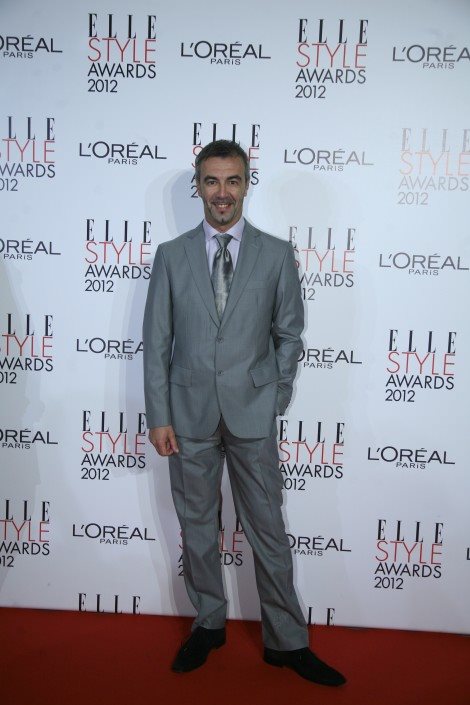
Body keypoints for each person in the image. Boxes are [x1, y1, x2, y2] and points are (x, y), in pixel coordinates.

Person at [143, 140, 346, 686]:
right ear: (198, 187)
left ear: (246, 184)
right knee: (197, 530)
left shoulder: (276, 254)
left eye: (232, 180)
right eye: (212, 181)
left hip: (253, 415)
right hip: (188, 416)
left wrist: (273, 397)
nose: (222, 192)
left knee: (269, 533)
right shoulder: (171, 255)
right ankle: (208, 624)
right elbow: (156, 342)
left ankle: (288, 641)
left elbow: (289, 335)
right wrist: (159, 415)